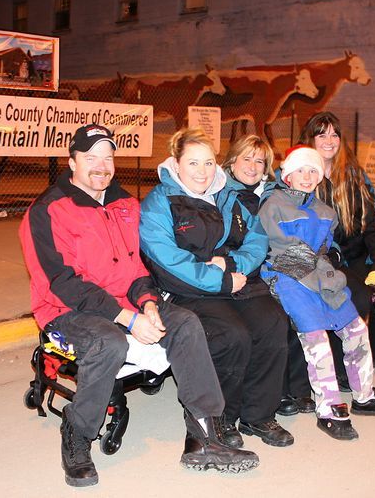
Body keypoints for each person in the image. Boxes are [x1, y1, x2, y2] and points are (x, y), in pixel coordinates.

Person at [19, 124, 258, 487]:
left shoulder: (125, 204)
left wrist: (147, 303)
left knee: (186, 323)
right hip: (66, 311)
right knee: (108, 342)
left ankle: (203, 436)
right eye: (91, 157)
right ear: (72, 162)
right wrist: (127, 318)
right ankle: (78, 433)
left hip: (124, 304)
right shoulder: (47, 210)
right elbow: (62, 283)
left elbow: (136, 269)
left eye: (108, 157)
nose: (101, 165)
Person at [139, 128, 293, 450]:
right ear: (176, 163)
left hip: (235, 280)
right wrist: (219, 277)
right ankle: (221, 418)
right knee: (231, 335)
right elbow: (168, 260)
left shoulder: (227, 195)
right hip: (189, 289)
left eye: (208, 163)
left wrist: (235, 266)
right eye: (193, 163)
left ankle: (259, 414)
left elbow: (257, 236)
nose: (202, 172)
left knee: (273, 322)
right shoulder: (160, 202)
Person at [258, 145, 375, 441]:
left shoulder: (324, 210)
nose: (307, 176)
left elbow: (328, 249)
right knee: (317, 341)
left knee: (355, 330)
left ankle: (363, 396)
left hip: (320, 276)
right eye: (301, 170)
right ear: (287, 175)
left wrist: (330, 270)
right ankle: (329, 408)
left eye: (313, 170)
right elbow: (283, 251)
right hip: (288, 277)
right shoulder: (272, 204)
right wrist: (325, 275)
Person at [298, 111, 375, 377]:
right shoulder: (299, 174)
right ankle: (342, 365)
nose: (329, 140)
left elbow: (373, 223)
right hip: (324, 260)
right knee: (352, 299)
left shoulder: (354, 175)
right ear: (309, 140)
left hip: (357, 257)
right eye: (321, 134)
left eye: (334, 134)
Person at [220, 134, 315, 417]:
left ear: (267, 167)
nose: (252, 166)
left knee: (304, 304)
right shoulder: (221, 191)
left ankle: (296, 388)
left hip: (278, 264)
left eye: (259, 161)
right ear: (232, 161)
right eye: (246, 158)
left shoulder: (275, 192)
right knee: (278, 314)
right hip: (245, 269)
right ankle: (280, 391)